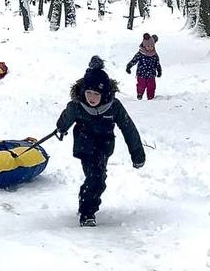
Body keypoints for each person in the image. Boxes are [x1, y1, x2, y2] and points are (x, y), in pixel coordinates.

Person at [55, 56, 145, 226]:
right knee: (95, 176)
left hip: (104, 146)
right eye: (88, 92)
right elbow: (67, 117)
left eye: (96, 93)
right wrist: (61, 128)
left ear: (104, 93)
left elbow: (129, 129)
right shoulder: (77, 105)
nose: (92, 97)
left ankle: (88, 202)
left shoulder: (113, 106)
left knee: (99, 176)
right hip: (84, 144)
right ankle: (87, 212)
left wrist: (137, 154)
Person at [125, 32, 162, 100]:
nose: (150, 48)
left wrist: (159, 71)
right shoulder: (140, 53)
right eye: (148, 46)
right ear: (144, 46)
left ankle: (151, 97)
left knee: (152, 86)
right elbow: (134, 60)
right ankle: (140, 94)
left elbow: (157, 64)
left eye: (152, 46)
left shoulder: (155, 55)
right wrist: (129, 66)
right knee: (141, 85)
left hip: (151, 74)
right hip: (141, 73)